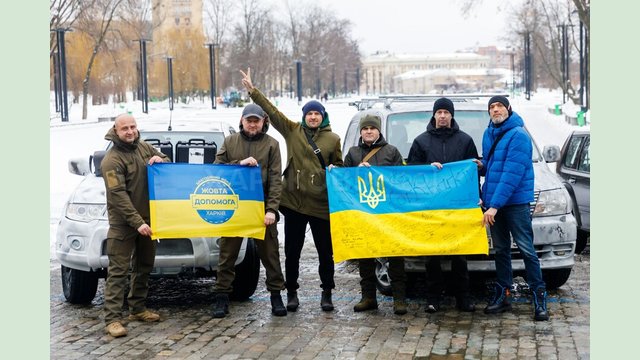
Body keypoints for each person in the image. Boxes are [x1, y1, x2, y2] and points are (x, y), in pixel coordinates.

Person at [240, 68, 344, 312]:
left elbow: (339, 166)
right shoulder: (293, 130)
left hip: (320, 204)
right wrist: (253, 92)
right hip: (294, 203)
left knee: (325, 253)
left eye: (317, 114)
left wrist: (333, 169)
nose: (313, 118)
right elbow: (273, 113)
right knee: (293, 252)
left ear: (323, 116)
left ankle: (327, 292)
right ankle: (292, 292)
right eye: (310, 114)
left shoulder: (333, 139)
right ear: (305, 116)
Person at [211, 103, 287, 318]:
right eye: (249, 120)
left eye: (256, 120)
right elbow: (217, 169)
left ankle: (276, 295)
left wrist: (272, 209)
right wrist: (239, 163)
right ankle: (222, 297)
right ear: (242, 121)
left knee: (270, 255)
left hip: (261, 208)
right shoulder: (230, 141)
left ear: (263, 122)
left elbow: (275, 179)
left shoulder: (272, 144)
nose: (252, 124)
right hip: (234, 207)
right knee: (227, 255)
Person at [407, 97, 479, 314]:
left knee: (460, 254)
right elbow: (412, 171)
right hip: (431, 207)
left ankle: (463, 298)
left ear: (452, 115)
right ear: (434, 115)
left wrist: (478, 197)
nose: (442, 116)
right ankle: (433, 299)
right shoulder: (421, 141)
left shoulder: (465, 141)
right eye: (439, 112)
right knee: (433, 256)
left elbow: (473, 171)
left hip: (457, 206)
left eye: (446, 112)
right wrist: (427, 168)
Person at [480, 95, 549, 321]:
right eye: (492, 107)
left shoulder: (519, 135)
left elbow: (511, 174)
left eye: (499, 106)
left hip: (514, 204)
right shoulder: (489, 133)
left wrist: (494, 206)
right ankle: (504, 294)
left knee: (526, 249)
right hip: (495, 205)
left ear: (509, 108)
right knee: (501, 250)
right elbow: (494, 167)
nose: (495, 110)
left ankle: (539, 297)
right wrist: (480, 166)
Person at [100, 114, 170, 338]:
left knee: (144, 265)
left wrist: (161, 160)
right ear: (116, 130)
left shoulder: (144, 147)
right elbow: (118, 196)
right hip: (124, 224)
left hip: (147, 221)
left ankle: (137, 309)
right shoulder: (111, 161)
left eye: (133, 127)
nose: (130, 131)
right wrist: (137, 222)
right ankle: (112, 319)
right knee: (118, 271)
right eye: (125, 129)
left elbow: (167, 161)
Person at [343, 114, 407, 315]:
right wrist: (355, 172)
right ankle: (368, 297)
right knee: (366, 257)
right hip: (364, 214)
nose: (369, 131)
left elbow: (401, 179)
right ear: (361, 132)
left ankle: (399, 299)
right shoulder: (353, 154)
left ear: (379, 131)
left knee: (395, 257)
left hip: (388, 213)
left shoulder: (392, 152)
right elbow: (344, 182)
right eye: (365, 128)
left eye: (372, 128)